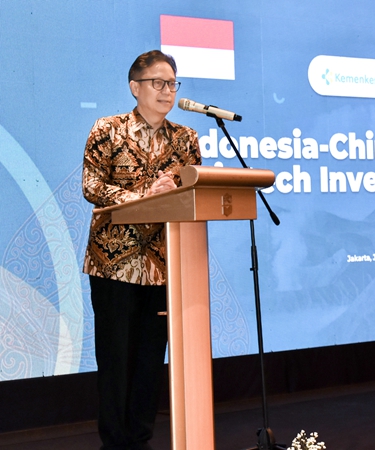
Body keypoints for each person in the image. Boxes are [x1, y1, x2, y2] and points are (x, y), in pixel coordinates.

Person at [82, 50, 201, 450]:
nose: (168, 91)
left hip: (163, 264)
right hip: (112, 264)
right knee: (115, 357)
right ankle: (115, 441)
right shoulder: (108, 129)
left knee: (151, 358)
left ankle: (140, 437)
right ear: (135, 87)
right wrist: (145, 194)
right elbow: (92, 186)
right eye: (158, 83)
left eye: (172, 84)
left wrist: (175, 192)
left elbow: (191, 194)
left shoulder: (186, 139)